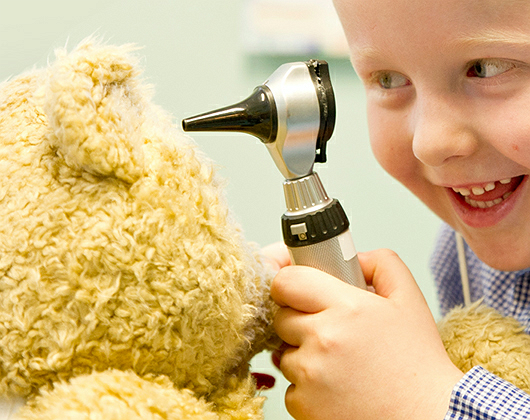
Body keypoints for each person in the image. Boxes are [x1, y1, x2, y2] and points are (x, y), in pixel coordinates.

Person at [263, 0, 530, 419]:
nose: (429, 141)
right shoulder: (460, 256)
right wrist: (379, 356)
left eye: (487, 67)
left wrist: (420, 398)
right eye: (388, 79)